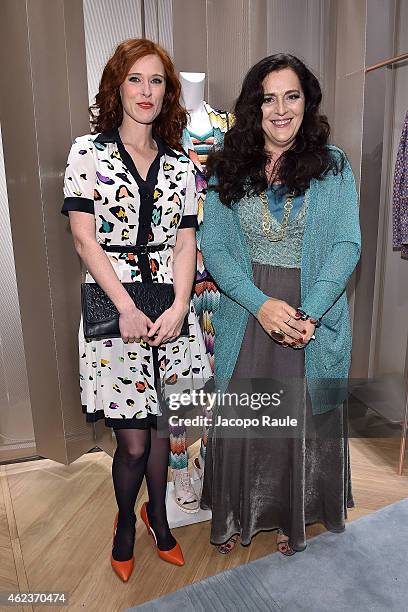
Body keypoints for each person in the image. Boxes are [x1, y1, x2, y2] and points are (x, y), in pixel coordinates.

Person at [62, 38, 211, 581]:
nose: (147, 91)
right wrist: (126, 306)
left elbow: (185, 242)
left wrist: (178, 305)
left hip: (171, 310)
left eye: (156, 81)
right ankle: (126, 522)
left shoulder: (180, 164)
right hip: (114, 309)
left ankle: (160, 517)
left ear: (167, 91)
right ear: (117, 86)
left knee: (162, 425)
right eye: (135, 79)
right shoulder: (88, 153)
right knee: (132, 439)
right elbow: (84, 240)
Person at [200, 54, 361, 555]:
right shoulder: (229, 164)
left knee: (302, 423)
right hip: (247, 314)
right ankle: (236, 511)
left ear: (306, 102)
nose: (280, 109)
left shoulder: (332, 165)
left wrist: (308, 312)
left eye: (291, 96)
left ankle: (297, 514)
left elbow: (345, 245)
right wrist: (260, 304)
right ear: (254, 106)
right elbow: (217, 246)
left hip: (311, 314)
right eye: (268, 98)